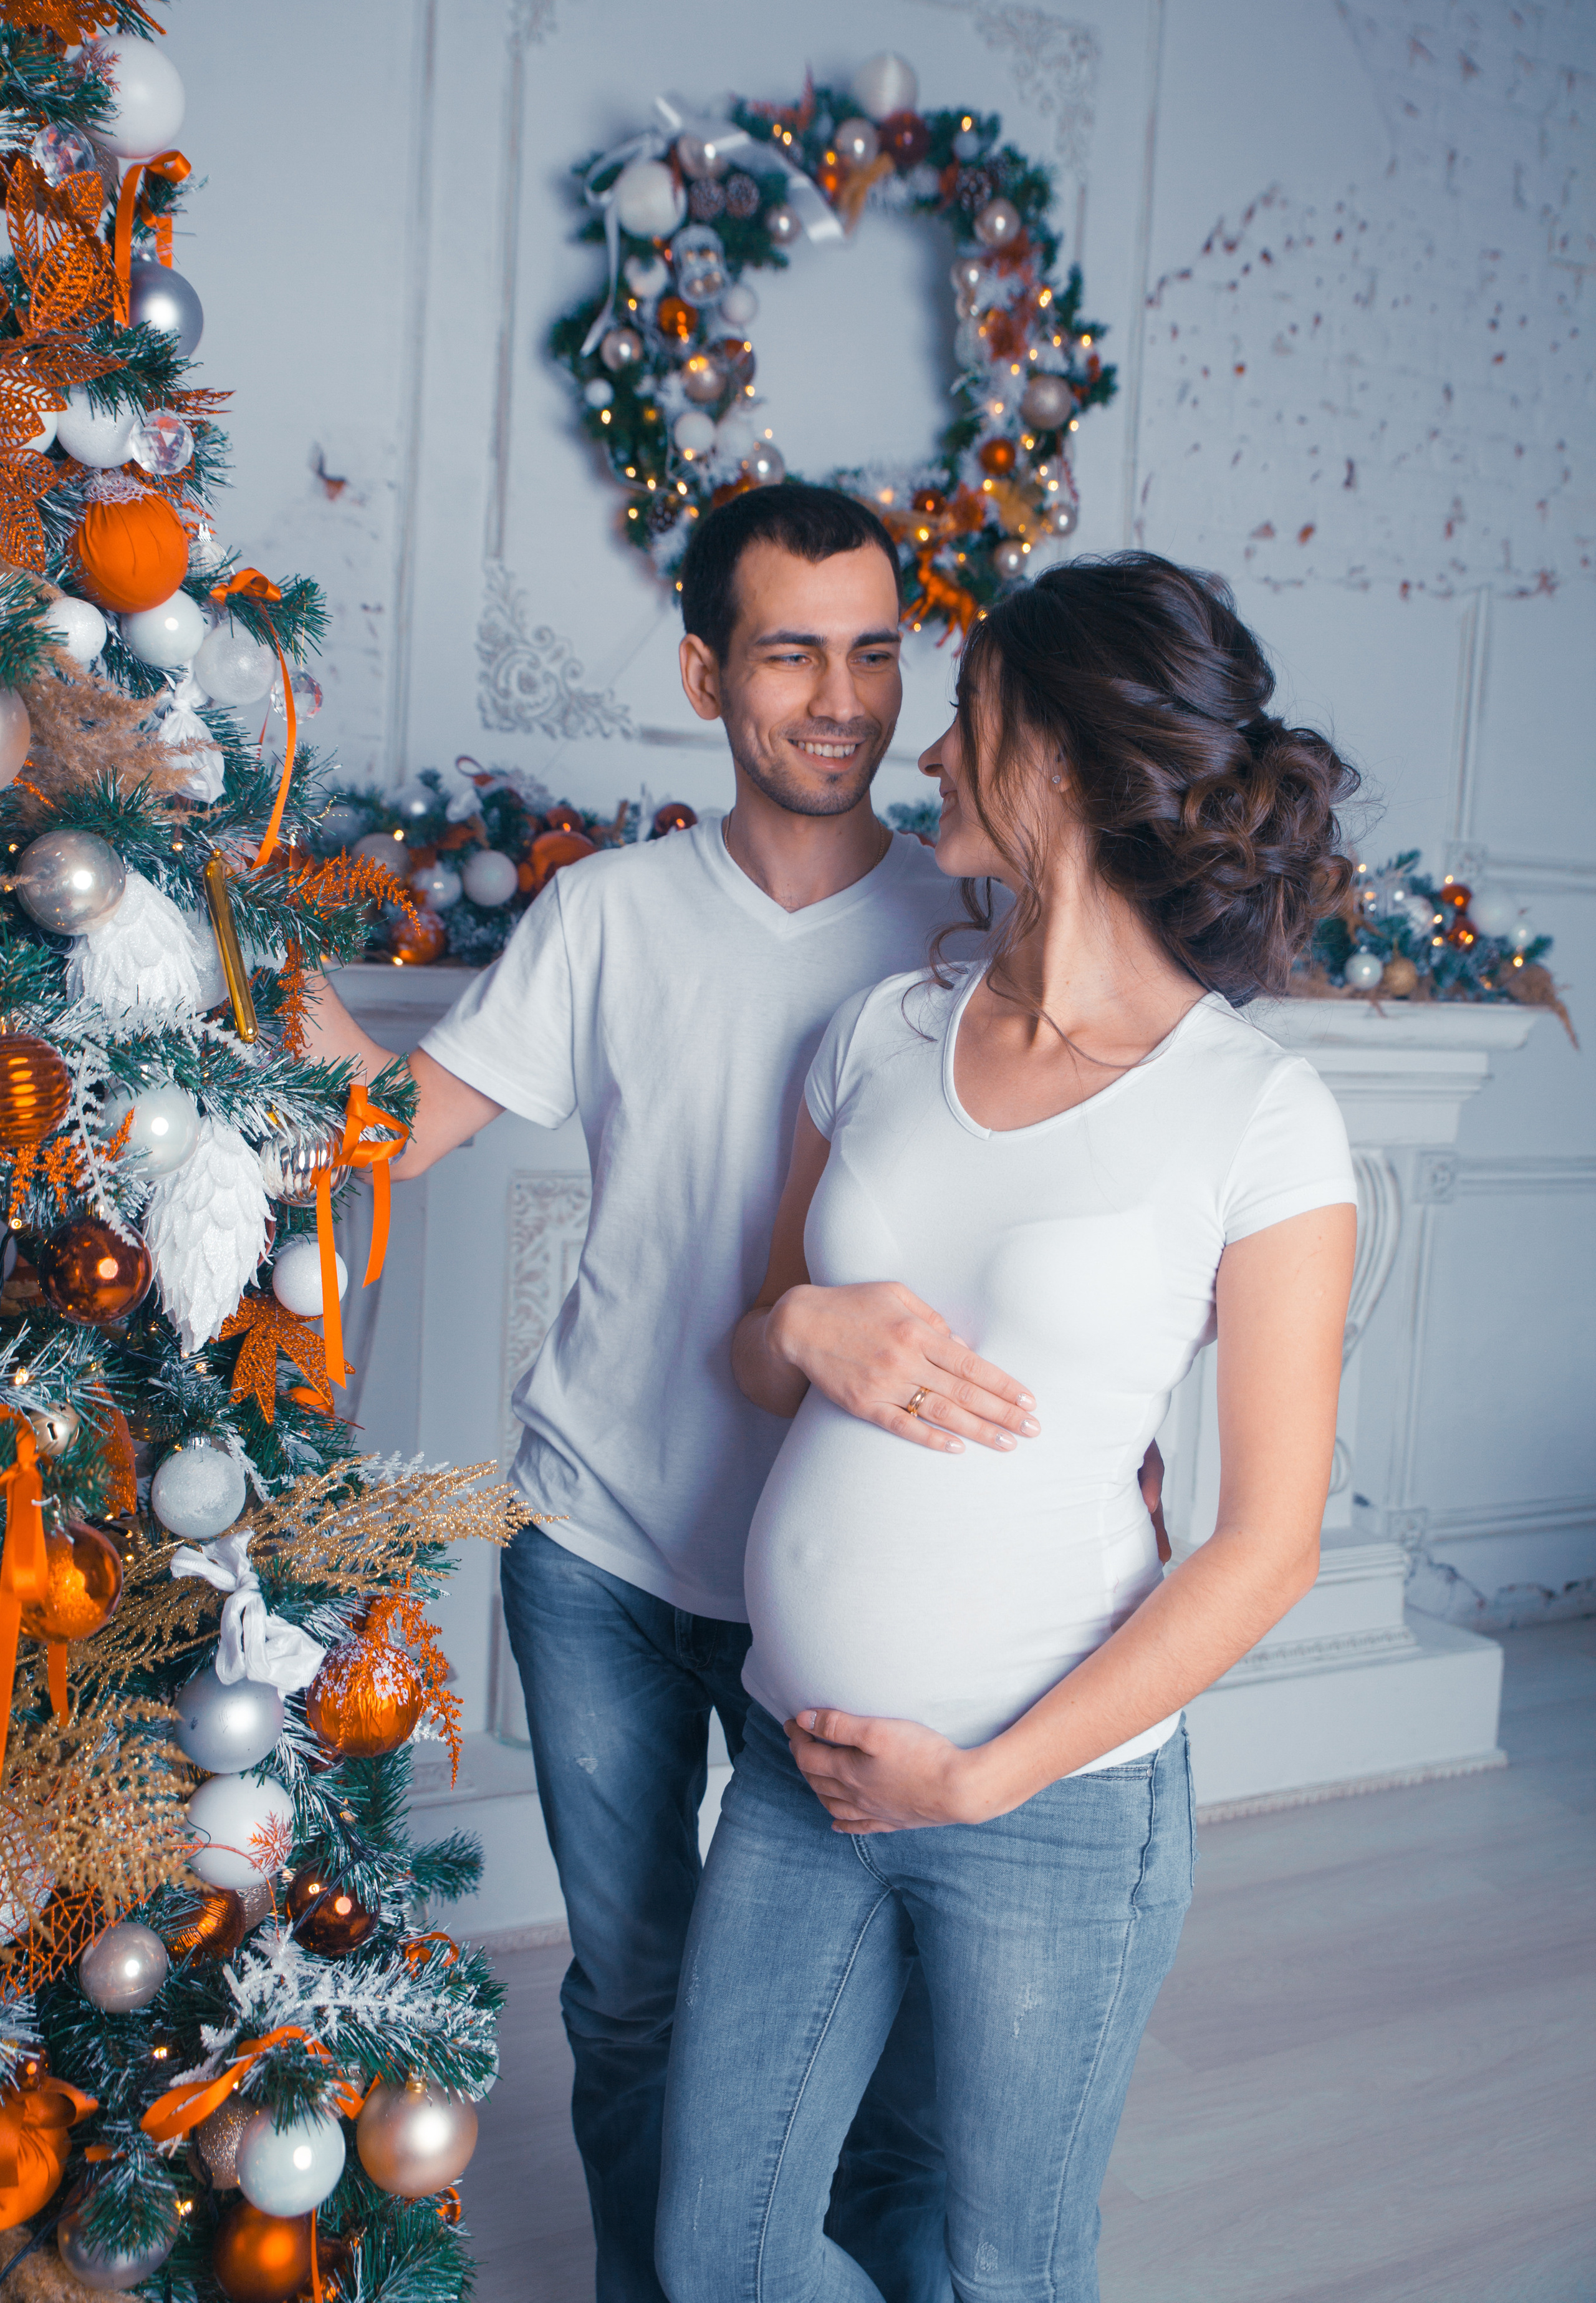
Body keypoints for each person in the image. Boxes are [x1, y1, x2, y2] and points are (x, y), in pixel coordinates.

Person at [305, 488, 1161, 2303]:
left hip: (851, 1596)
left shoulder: (975, 922)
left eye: (875, 652)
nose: (842, 699)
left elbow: (1097, 1200)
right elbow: (398, 1136)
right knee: (631, 2005)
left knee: (891, 2068)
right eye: (792, 651)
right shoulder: (605, 914)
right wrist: (229, 947)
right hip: (603, 1553)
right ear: (707, 671)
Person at [654, 553, 1361, 2303]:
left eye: (963, 716)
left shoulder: (1260, 1119)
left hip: (1051, 1803)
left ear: (1054, 755)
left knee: (1008, 2263)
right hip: (802, 1765)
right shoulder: (882, 1031)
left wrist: (980, 1777)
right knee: (717, 2256)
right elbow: (750, 1351)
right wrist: (806, 1325)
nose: (927, 755)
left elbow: (1269, 1546)